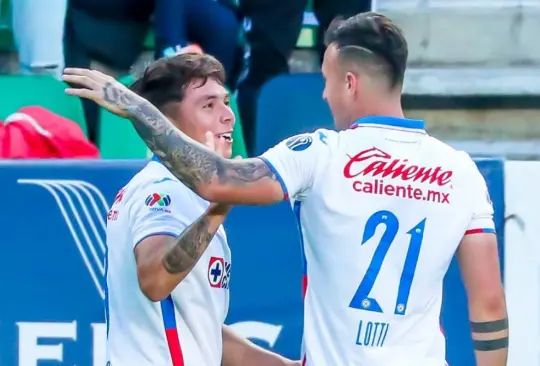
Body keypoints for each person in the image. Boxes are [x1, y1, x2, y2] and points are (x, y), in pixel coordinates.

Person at [63, 12, 509, 366]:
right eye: (209, 104)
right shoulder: (462, 171)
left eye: (328, 80)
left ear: (349, 83)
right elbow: (488, 304)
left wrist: (136, 108)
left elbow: (215, 179)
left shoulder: (321, 152)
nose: (324, 96)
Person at [81, 54, 298, 365]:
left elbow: (202, 332)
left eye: (226, 102)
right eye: (209, 105)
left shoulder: (190, 194)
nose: (229, 116)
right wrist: (217, 212)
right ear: (168, 126)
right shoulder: (163, 188)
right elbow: (155, 280)